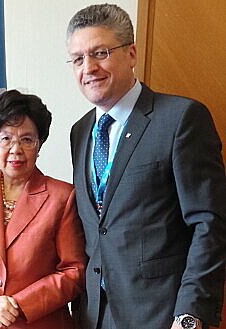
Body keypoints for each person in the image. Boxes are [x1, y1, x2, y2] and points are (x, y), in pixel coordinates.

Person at [66, 4, 226, 329]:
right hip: (92, 316)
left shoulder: (181, 119)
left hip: (162, 315)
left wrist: (190, 314)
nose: (89, 68)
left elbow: (209, 223)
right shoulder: (80, 131)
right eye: (78, 59)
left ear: (132, 54)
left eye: (100, 53)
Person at [0, 89, 87, 329]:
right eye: (6, 138)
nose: (15, 149)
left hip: (40, 322)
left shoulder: (63, 196)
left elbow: (74, 271)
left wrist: (17, 304)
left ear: (39, 144)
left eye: (27, 139)